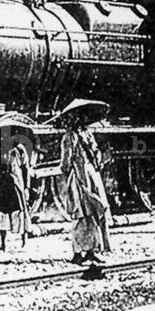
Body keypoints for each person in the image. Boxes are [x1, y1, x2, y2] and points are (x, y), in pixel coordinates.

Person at [57, 99, 112, 265]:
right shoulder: (80, 135)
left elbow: (65, 163)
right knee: (84, 214)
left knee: (86, 214)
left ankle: (88, 250)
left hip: (84, 177)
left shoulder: (74, 136)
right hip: (85, 177)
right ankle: (80, 252)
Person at [0, 125, 32, 252]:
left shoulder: (19, 149)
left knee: (21, 211)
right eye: (2, 135)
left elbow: (26, 169)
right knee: (2, 213)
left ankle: (24, 240)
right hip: (2, 185)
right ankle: (3, 243)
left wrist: (27, 187)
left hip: (16, 185)